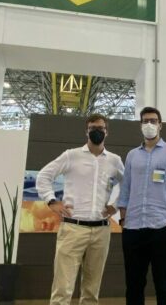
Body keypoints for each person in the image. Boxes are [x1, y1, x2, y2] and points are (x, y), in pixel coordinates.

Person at [36, 113, 124, 305]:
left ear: (107, 132)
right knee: (62, 289)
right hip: (73, 228)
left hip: (101, 231)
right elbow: (43, 176)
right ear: (86, 131)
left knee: (92, 291)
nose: (96, 131)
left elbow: (127, 185)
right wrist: (52, 201)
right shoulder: (71, 155)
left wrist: (115, 205)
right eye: (93, 128)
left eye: (100, 128)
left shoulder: (115, 161)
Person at [118, 107, 166, 305]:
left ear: (160, 125)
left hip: (162, 228)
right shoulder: (132, 155)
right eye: (145, 121)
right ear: (140, 125)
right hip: (133, 228)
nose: (149, 124)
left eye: (153, 120)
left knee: (164, 286)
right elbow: (125, 189)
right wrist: (123, 220)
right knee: (133, 286)